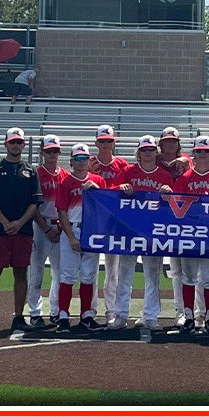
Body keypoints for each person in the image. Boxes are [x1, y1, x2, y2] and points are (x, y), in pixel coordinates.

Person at [0, 127, 43, 334]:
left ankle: (18, 316)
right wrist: (6, 222)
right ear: (5, 144)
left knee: (21, 273)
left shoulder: (30, 171)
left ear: (24, 144)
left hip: (23, 231)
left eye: (19, 142)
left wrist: (19, 222)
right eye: (12, 142)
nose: (16, 145)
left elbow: (35, 202)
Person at [110, 135, 174, 330]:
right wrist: (119, 188)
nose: (148, 153)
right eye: (144, 150)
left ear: (157, 152)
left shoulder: (164, 175)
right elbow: (110, 194)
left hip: (153, 232)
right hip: (128, 231)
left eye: (151, 150)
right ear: (138, 152)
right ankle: (120, 314)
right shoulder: (127, 171)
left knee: (152, 275)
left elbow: (176, 204)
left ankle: (151, 316)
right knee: (124, 274)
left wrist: (169, 191)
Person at [177, 136, 209, 335]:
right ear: (194, 153)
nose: (202, 154)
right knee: (188, 277)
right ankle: (189, 318)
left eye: (206, 151)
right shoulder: (185, 178)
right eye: (199, 151)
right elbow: (177, 208)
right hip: (189, 234)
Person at [54, 144, 107, 333]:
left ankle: (86, 315)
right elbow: (61, 212)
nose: (82, 162)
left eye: (85, 158)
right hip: (73, 231)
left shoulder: (98, 180)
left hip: (92, 232)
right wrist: (70, 237)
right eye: (78, 158)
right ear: (72, 161)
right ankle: (63, 316)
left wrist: (97, 190)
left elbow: (106, 207)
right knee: (67, 276)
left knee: (88, 276)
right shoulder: (65, 182)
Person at [27, 134, 68, 327]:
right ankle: (35, 312)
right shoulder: (35, 174)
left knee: (60, 273)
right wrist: (45, 228)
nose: (53, 154)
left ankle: (55, 310)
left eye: (55, 150)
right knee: (36, 273)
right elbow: (32, 205)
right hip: (40, 226)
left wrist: (60, 226)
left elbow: (67, 205)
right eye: (49, 150)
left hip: (60, 227)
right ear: (42, 151)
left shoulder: (65, 175)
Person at [89, 124, 129, 325]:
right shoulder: (87, 163)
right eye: (102, 140)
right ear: (96, 142)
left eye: (109, 140)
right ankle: (91, 310)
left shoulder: (122, 165)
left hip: (114, 223)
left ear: (114, 142)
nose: (106, 144)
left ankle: (111, 311)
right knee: (91, 270)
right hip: (93, 222)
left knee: (113, 270)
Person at [157, 126, 193, 327]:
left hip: (185, 220)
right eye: (166, 141)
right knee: (172, 270)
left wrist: (186, 162)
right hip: (162, 220)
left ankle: (192, 312)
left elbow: (193, 163)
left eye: (173, 141)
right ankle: (179, 310)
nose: (169, 144)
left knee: (189, 270)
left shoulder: (185, 160)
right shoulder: (154, 161)